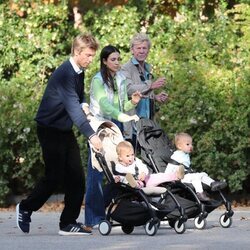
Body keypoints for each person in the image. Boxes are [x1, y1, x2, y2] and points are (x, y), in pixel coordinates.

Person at [16, 33, 103, 236]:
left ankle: (68, 223)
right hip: (49, 129)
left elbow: (77, 99)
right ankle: (26, 207)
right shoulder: (65, 73)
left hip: (63, 129)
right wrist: (92, 135)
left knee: (77, 177)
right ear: (77, 51)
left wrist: (86, 107)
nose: (91, 60)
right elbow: (72, 109)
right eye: (88, 55)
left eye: (92, 56)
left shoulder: (79, 71)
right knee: (54, 176)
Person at [84, 45, 141, 231]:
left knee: (118, 172)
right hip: (98, 127)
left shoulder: (121, 78)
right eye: (113, 60)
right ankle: (93, 217)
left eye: (118, 59)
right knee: (97, 170)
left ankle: (116, 212)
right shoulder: (98, 80)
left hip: (114, 127)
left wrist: (132, 102)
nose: (117, 63)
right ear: (104, 61)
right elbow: (105, 106)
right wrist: (124, 117)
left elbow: (120, 105)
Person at [121, 32, 168, 147]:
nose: (141, 51)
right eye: (138, 48)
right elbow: (128, 89)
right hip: (133, 123)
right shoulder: (126, 68)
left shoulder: (147, 67)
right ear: (132, 50)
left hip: (148, 122)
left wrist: (155, 97)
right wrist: (150, 86)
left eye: (144, 48)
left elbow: (143, 93)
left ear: (148, 50)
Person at [165, 132, 227, 201]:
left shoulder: (185, 154)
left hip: (187, 175)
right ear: (179, 146)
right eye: (187, 144)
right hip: (179, 178)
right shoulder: (176, 155)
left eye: (191, 144)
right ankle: (200, 193)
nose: (191, 146)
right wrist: (169, 179)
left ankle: (213, 183)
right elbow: (170, 166)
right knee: (196, 177)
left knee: (203, 174)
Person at [113, 141, 184, 188]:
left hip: (145, 179)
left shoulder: (136, 161)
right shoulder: (118, 167)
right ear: (120, 157)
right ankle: (134, 185)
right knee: (131, 182)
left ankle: (176, 175)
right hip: (133, 184)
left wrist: (143, 173)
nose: (131, 157)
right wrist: (117, 178)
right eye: (127, 156)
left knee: (159, 176)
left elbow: (143, 167)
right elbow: (117, 175)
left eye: (132, 154)